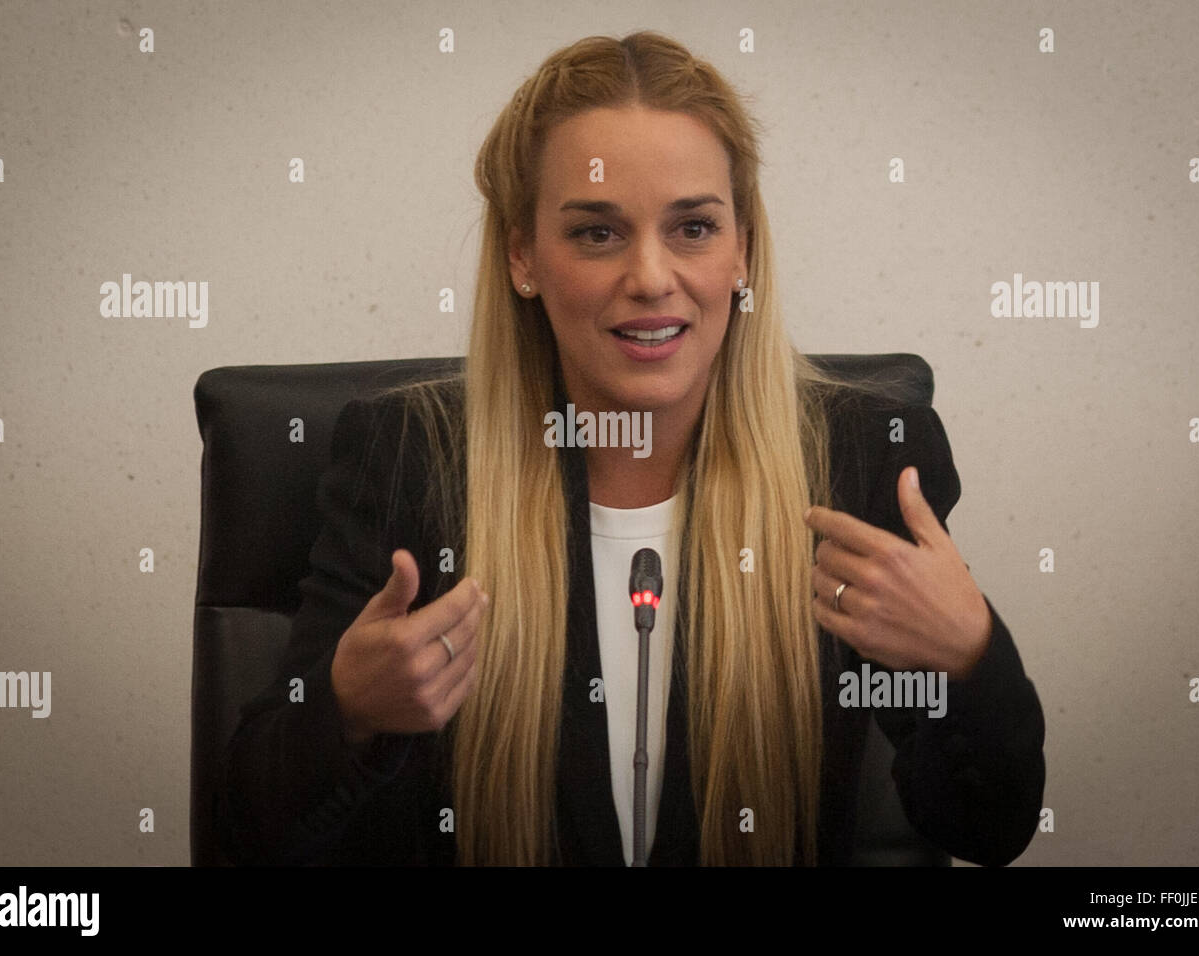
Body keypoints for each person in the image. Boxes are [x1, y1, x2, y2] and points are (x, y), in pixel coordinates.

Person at [218, 30, 1045, 867]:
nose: (651, 277)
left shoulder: (861, 463)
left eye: (692, 228)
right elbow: (245, 829)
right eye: (597, 235)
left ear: (743, 251)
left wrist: (972, 657)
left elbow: (986, 828)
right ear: (522, 255)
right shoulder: (409, 463)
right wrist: (347, 710)